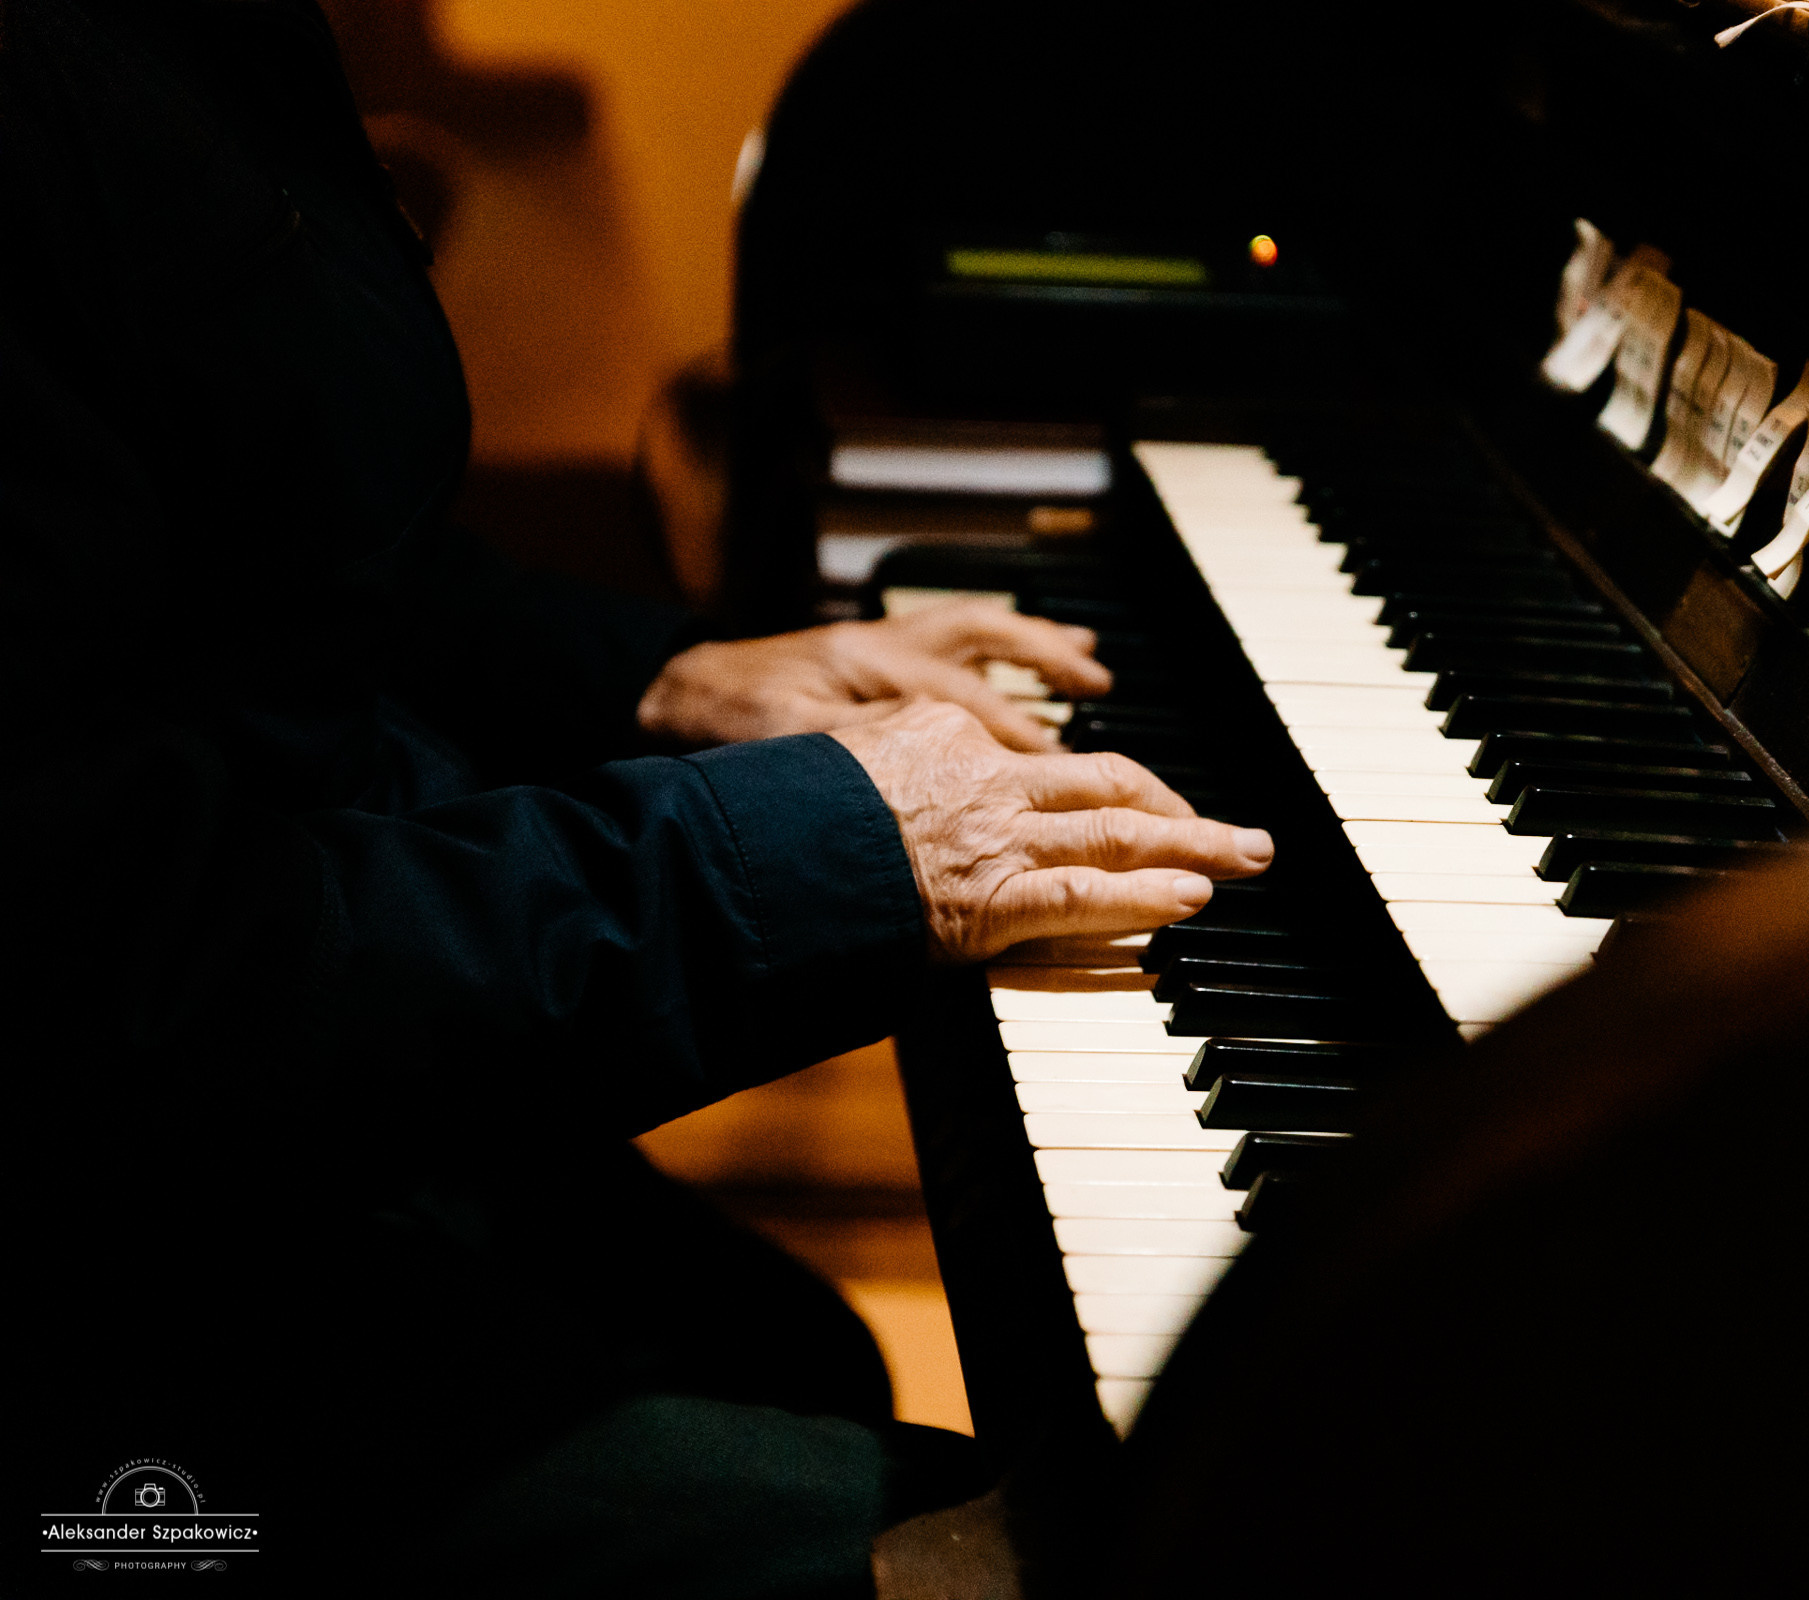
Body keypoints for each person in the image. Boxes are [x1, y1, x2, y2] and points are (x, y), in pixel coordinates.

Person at [2, 0, 1268, 1591]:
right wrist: (826, 853)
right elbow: (104, 979)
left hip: (254, 1173)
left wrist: (656, 678)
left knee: (786, 1345)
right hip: (86, 1334)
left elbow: (258, 568)